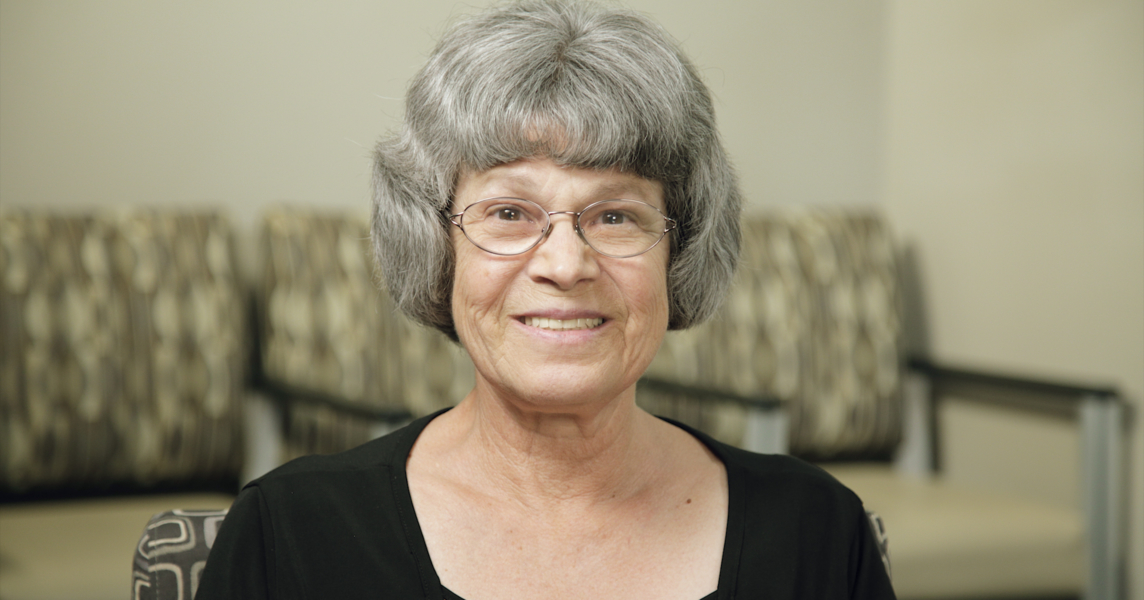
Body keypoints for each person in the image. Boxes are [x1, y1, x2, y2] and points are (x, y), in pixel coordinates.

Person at [196, 1, 895, 598]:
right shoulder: (287, 537)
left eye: (616, 216)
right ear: (438, 248)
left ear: (678, 252)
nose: (566, 264)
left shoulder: (820, 532)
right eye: (509, 213)